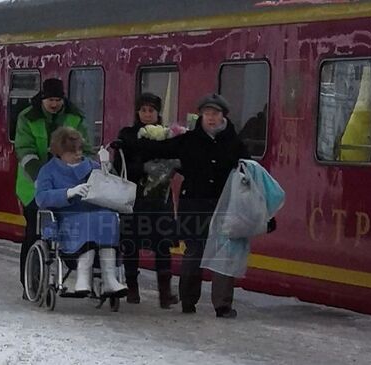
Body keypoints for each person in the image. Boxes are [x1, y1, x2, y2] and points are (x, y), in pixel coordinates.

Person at [123, 93, 275, 318]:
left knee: (225, 252)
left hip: (225, 204)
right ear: (201, 115)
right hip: (194, 203)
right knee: (194, 251)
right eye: (207, 114)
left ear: (223, 116)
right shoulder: (190, 140)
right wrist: (130, 142)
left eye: (215, 114)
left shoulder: (234, 143)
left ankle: (222, 305)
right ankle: (188, 300)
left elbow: (251, 176)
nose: (211, 118)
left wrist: (264, 212)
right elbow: (161, 149)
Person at [14, 78, 91, 299]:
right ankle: (30, 282)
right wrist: (41, 177)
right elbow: (24, 149)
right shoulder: (27, 118)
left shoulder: (75, 118)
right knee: (34, 232)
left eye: (57, 100)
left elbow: (86, 148)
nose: (54, 104)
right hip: (33, 187)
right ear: (42, 98)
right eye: (50, 100)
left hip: (68, 185)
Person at [35, 127, 127, 297]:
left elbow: (111, 185)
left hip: (96, 214)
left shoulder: (92, 166)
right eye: (72, 152)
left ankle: (109, 279)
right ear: (59, 153)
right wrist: (68, 192)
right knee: (91, 221)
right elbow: (41, 198)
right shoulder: (48, 171)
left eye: (78, 150)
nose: (77, 154)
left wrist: (106, 166)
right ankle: (83, 278)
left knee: (108, 218)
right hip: (67, 219)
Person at [113, 93, 178, 308]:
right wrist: (143, 169)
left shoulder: (168, 135)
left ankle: (165, 293)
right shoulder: (128, 135)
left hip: (160, 197)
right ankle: (132, 289)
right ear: (137, 112)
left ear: (158, 113)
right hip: (135, 196)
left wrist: (167, 169)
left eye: (151, 110)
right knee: (131, 243)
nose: (147, 114)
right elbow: (119, 167)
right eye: (143, 110)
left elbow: (177, 160)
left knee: (163, 245)